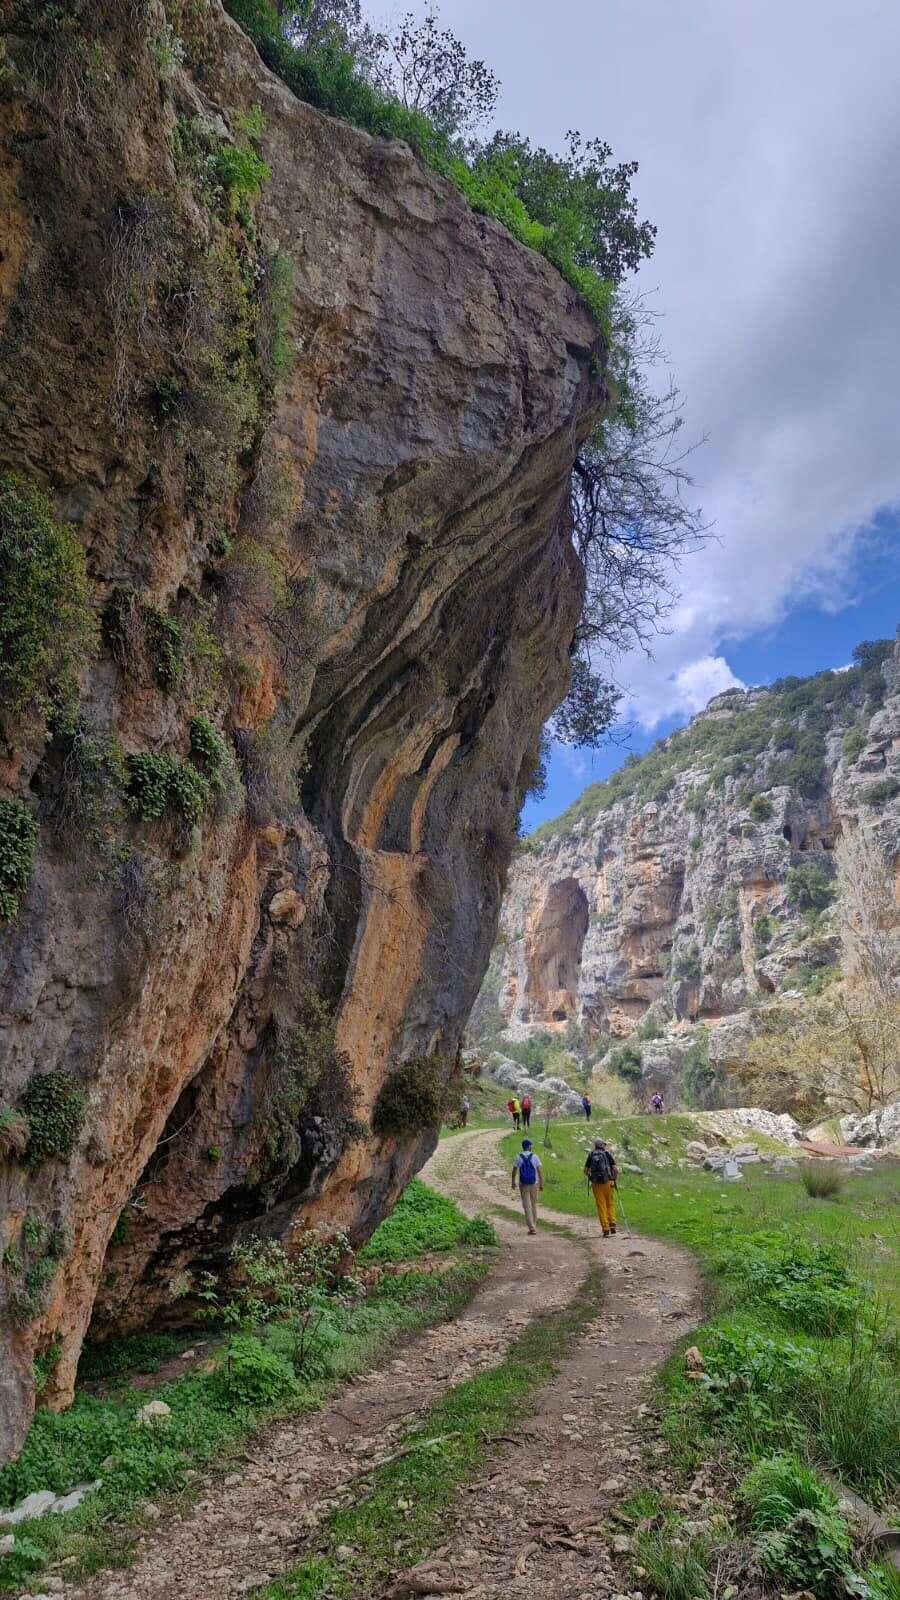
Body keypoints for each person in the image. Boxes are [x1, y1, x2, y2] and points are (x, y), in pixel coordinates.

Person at [584, 1138, 618, 1237]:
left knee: (601, 1206)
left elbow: (585, 1170)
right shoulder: (607, 1154)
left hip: (596, 1185)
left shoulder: (591, 1155)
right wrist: (614, 1179)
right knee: (610, 1204)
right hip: (608, 1183)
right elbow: (615, 1169)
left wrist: (591, 1177)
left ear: (595, 1145)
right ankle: (612, 1224)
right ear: (602, 1145)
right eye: (604, 1144)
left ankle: (605, 1229)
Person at [511, 1138, 543, 1234]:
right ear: (528, 1147)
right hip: (534, 1183)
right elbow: (539, 1171)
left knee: (526, 1206)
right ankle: (534, 1225)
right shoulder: (535, 1156)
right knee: (533, 1205)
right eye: (531, 1146)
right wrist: (541, 1183)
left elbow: (514, 1171)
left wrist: (513, 1182)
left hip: (523, 1184)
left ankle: (531, 1227)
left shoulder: (518, 1157)